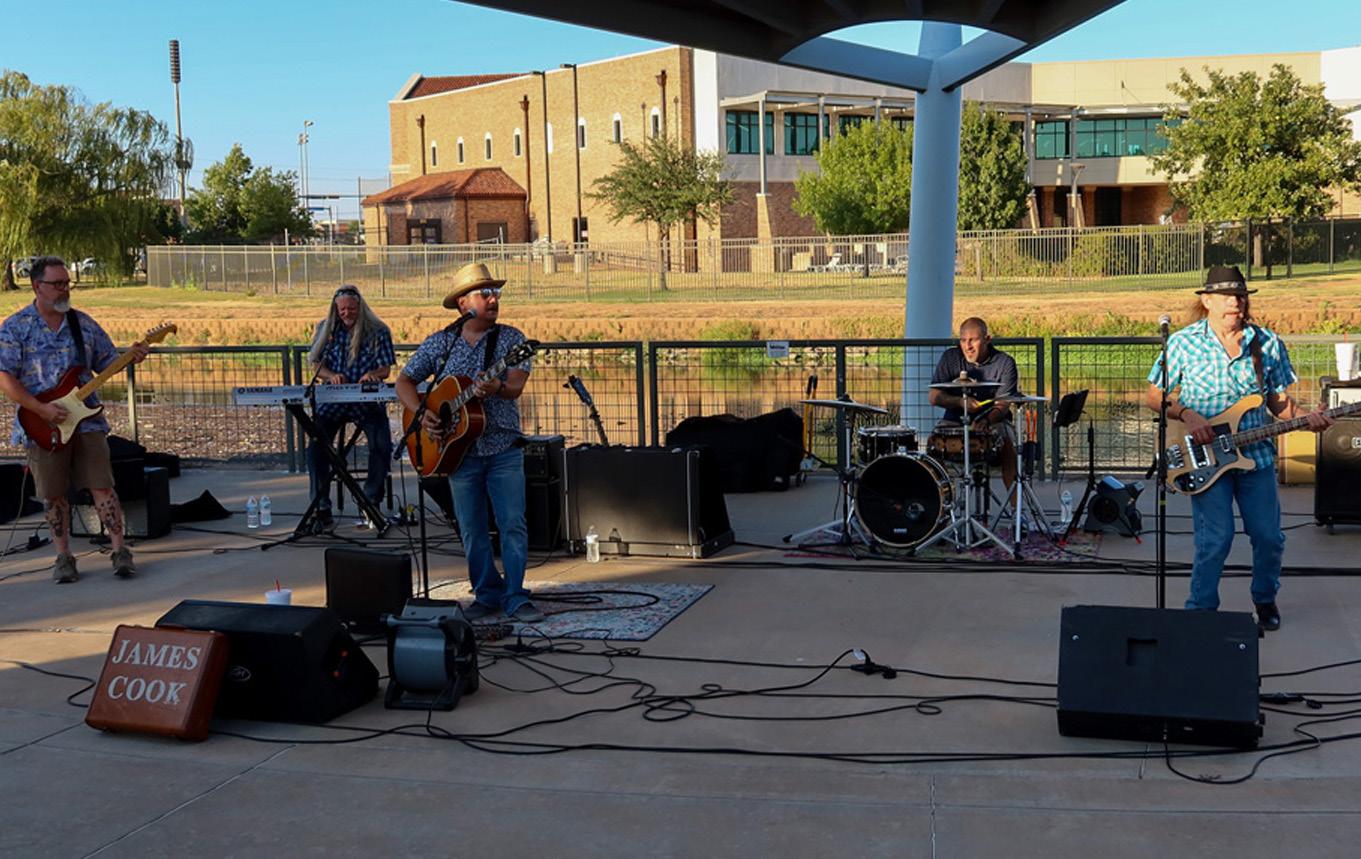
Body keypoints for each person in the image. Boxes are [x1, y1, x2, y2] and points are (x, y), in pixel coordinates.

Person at [1145, 265, 1332, 630]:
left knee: (1268, 537)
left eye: (1241, 296)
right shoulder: (1183, 343)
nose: (1236, 302)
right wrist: (1188, 414)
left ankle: (1265, 598)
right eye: (1228, 296)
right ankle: (1201, 613)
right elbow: (1154, 396)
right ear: (1207, 300)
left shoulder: (1267, 343)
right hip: (1203, 457)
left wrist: (1307, 418)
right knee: (1216, 538)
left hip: (1255, 457)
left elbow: (1278, 403)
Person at [395, 263, 541, 624]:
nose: (493, 299)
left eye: (496, 293)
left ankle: (516, 595)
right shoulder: (441, 343)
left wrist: (498, 387)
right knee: (472, 529)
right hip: (458, 453)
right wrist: (423, 415)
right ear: (463, 303)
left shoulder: (512, 340)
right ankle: (487, 593)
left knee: (512, 524)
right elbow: (404, 382)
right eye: (484, 293)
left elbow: (515, 386)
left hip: (503, 447)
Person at [0, 256, 150, 583]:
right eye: (57, 284)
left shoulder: (82, 324)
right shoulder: (16, 327)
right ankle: (63, 557)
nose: (64, 290)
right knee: (54, 494)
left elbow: (106, 362)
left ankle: (120, 551)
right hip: (41, 424)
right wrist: (41, 409)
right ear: (37, 286)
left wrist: (130, 356)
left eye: (67, 283)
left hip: (87, 422)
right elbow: (5, 377)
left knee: (103, 485)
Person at [305, 285, 396, 529]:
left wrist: (372, 374)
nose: (347, 313)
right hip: (333, 400)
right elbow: (316, 366)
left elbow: (386, 369)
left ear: (360, 307)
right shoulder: (325, 330)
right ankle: (321, 507)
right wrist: (331, 376)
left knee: (381, 444)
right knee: (316, 448)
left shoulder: (378, 330)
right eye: (342, 309)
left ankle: (371, 501)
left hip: (366, 402)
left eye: (352, 309)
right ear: (335, 309)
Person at [927, 317, 1019, 488]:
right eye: (963, 340)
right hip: (954, 421)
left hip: (994, 421)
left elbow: (1003, 403)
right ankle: (945, 497)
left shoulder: (1005, 362)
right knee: (933, 445)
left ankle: (1016, 502)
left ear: (987, 339)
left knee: (1008, 444)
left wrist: (986, 421)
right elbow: (933, 396)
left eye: (973, 340)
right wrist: (960, 402)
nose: (967, 346)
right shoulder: (950, 357)